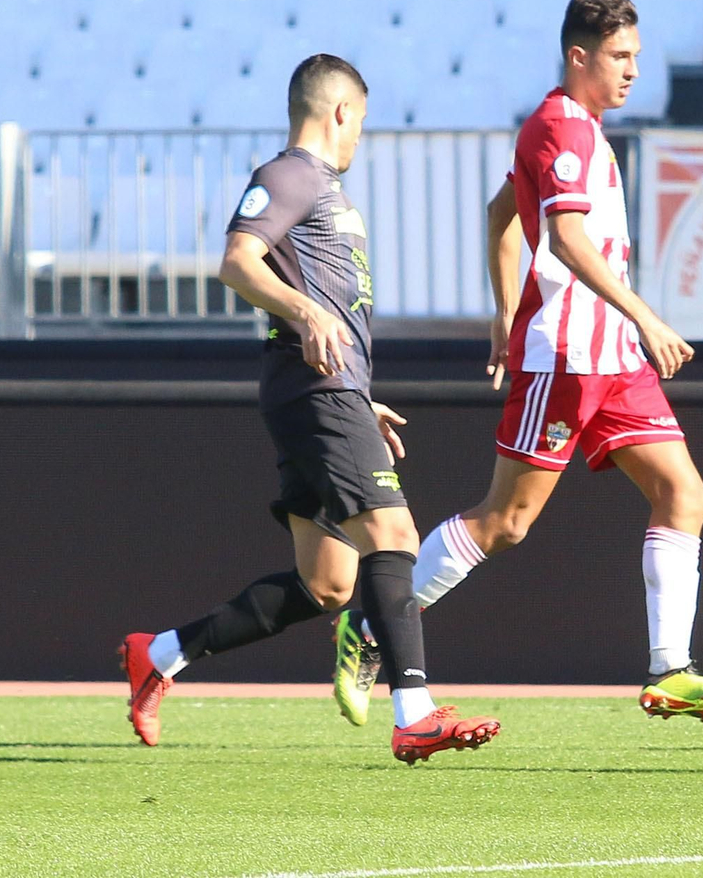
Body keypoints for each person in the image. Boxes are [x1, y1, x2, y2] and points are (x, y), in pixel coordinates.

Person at [328, 0, 703, 729]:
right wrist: (643, 315)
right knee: (506, 522)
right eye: (619, 58)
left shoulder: (579, 128)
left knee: (686, 496)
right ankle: (371, 627)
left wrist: (501, 310)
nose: (631, 73)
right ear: (579, 56)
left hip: (612, 358)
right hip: (570, 356)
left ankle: (668, 671)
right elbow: (567, 241)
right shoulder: (559, 127)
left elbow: (500, 214)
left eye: (637, 58)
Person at [119, 54, 500, 765]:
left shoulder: (322, 189)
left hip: (327, 392)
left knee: (328, 583)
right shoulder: (291, 175)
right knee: (395, 533)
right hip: (310, 391)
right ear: (342, 114)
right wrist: (302, 314)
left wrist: (359, 395)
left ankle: (161, 654)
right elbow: (238, 259)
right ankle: (413, 713)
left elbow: (325, 306)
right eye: (361, 125)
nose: (360, 140)